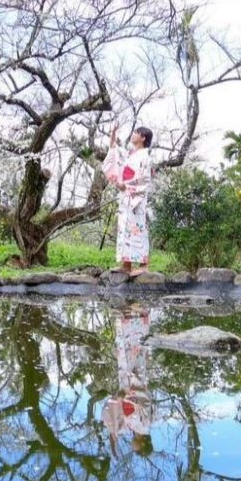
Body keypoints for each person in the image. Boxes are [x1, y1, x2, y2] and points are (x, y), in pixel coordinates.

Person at [101, 303, 153, 458]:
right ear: (143, 444)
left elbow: (115, 422)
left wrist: (113, 443)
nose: (132, 447)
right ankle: (137, 312)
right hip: (134, 382)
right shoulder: (144, 425)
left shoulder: (132, 428)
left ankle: (127, 313)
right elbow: (145, 403)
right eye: (136, 449)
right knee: (135, 350)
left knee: (124, 348)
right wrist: (128, 396)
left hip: (126, 384)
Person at [102, 125, 153, 277]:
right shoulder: (131, 154)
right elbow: (114, 149)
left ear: (143, 138)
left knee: (138, 229)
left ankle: (144, 265)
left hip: (136, 198)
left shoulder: (145, 157)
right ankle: (126, 265)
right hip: (125, 197)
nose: (133, 134)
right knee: (125, 231)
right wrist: (112, 132)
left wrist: (127, 186)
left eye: (137, 133)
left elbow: (145, 180)